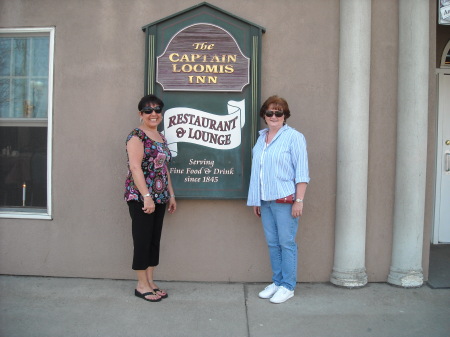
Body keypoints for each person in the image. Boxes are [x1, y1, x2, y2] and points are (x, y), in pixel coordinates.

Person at [247, 95, 310, 304]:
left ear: (285, 115)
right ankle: (277, 281)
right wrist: (256, 199)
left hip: (285, 201)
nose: (274, 116)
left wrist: (298, 201)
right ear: (264, 116)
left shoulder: (294, 137)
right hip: (265, 201)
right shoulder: (261, 138)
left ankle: (288, 286)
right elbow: (258, 171)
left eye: (278, 112)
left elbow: (302, 172)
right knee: (273, 244)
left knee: (286, 243)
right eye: (270, 112)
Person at [124, 94, 176, 302]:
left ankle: (150, 281)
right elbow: (135, 167)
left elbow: (164, 168)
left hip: (160, 196)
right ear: (141, 114)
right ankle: (141, 284)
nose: (153, 114)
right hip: (140, 197)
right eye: (148, 110)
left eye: (157, 110)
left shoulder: (161, 137)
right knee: (142, 240)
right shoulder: (136, 136)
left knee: (154, 240)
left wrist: (170, 194)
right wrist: (146, 196)